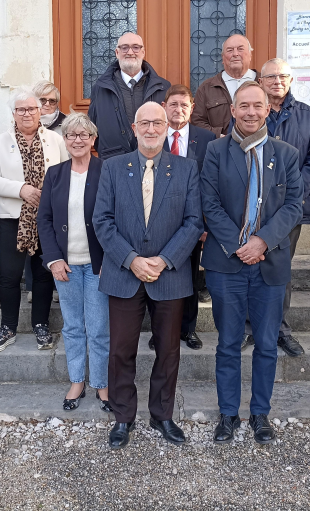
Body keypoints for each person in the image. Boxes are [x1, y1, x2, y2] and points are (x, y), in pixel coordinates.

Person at [93, 102, 203, 450]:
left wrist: (164, 259)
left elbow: (194, 221)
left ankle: (162, 414)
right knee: (121, 349)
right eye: (146, 123)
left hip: (169, 274)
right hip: (124, 273)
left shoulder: (186, 169)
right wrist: (131, 260)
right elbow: (102, 221)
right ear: (134, 127)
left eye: (159, 122)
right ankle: (123, 417)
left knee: (169, 350)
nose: (152, 129)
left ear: (168, 126)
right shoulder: (111, 168)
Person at [200, 82, 303, 445]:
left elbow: (293, 206)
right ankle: (228, 414)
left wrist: (261, 241)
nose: (250, 112)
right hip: (226, 264)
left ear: (267, 109)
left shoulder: (286, 154)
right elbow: (208, 202)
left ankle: (260, 414)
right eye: (243, 106)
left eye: (257, 106)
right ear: (233, 110)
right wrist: (240, 244)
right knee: (228, 342)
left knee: (265, 343)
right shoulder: (215, 151)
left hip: (270, 264)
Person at [0, 89, 69, 352]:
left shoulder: (55, 139)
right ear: (14, 114)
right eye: (21, 109)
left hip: (47, 219)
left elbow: (66, 174)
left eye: (32, 108)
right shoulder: (2, 141)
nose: (28, 113)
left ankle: (40, 325)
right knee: (10, 276)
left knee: (43, 274)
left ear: (40, 111)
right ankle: (7, 327)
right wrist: (21, 189)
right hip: (14, 219)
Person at [37, 113, 110, 412]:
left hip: (98, 265)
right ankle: (77, 381)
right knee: (73, 327)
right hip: (64, 265)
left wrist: (111, 258)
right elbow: (44, 219)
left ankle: (102, 384)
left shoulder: (107, 171)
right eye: (71, 135)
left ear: (93, 140)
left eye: (83, 135)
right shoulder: (54, 174)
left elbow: (118, 218)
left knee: (99, 328)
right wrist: (53, 259)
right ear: (64, 140)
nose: (77, 140)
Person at [259, 58, 310, 358]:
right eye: (270, 76)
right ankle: (254, 327)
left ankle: (281, 330)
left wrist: (294, 190)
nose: (277, 81)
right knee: (252, 266)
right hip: (254, 208)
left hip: (290, 208)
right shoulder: (250, 113)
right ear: (260, 81)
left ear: (291, 80)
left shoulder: (308, 117)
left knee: (280, 271)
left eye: (282, 76)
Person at [162, 84, 215, 350]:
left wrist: (205, 223)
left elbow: (211, 185)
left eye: (184, 105)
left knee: (191, 278)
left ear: (192, 108)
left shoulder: (206, 140)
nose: (178, 109)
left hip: (193, 224)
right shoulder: (153, 134)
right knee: (160, 278)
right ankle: (161, 331)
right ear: (164, 107)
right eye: (173, 104)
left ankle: (188, 329)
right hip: (158, 223)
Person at [87, 32, 170, 159]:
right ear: (117, 52)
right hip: (113, 163)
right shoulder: (100, 88)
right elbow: (92, 128)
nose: (130, 52)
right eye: (124, 47)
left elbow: (171, 127)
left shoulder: (163, 87)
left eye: (136, 47)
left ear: (143, 52)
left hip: (154, 161)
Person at [191, 34, 257, 137]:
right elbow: (197, 121)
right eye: (230, 50)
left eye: (240, 49)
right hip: (220, 150)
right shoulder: (207, 88)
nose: (235, 54)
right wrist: (218, 136)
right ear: (223, 57)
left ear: (250, 54)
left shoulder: (263, 83)